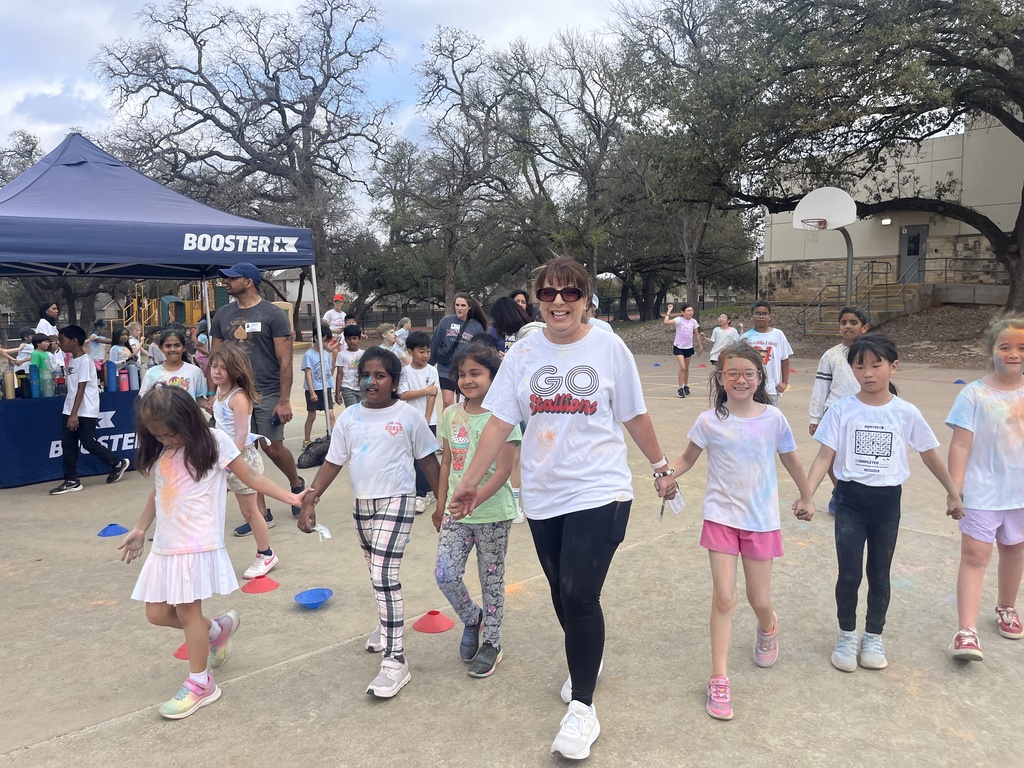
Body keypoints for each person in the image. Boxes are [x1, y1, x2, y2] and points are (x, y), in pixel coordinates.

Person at [448, 256, 675, 760]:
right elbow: (498, 423)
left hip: (600, 489)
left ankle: (583, 711)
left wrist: (660, 466)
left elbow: (634, 413)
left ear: (586, 300)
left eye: (570, 293)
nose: (558, 302)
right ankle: (584, 658)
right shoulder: (525, 352)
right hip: (544, 494)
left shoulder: (608, 347)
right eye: (548, 293)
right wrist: (468, 483)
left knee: (579, 590)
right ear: (537, 298)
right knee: (560, 591)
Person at [116, 385, 306, 720]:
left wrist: (291, 497)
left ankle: (200, 683)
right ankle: (215, 631)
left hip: (196, 545)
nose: (165, 440)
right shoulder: (164, 452)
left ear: (188, 421)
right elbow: (159, 491)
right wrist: (141, 528)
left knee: (189, 614)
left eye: (170, 434)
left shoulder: (214, 443)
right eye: (158, 435)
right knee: (156, 614)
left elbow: (252, 478)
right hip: (165, 547)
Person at [659, 343, 814, 721]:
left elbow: (791, 458)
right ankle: (719, 677)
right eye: (732, 373)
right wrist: (666, 475)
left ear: (760, 378)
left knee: (758, 599)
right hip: (721, 517)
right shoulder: (709, 420)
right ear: (721, 378)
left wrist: (806, 495)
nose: (741, 379)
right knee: (724, 597)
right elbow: (687, 459)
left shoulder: (773, 419)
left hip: (761, 520)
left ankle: (768, 626)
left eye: (748, 373)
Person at [805, 334, 964, 672]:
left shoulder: (905, 413)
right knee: (849, 573)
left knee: (879, 571)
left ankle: (873, 635)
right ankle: (847, 634)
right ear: (851, 369)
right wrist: (807, 495)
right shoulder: (842, 410)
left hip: (887, 502)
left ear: (893, 367)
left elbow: (930, 455)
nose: (868, 373)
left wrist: (952, 492)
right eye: (859, 366)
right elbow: (823, 457)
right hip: (850, 499)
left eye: (876, 365)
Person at [296, 348, 440, 699]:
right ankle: (386, 624)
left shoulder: (408, 416)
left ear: (394, 382)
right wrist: (309, 499)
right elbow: (332, 463)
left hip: (399, 499)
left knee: (383, 576)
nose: (371, 382)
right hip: (363, 505)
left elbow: (429, 463)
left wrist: (444, 506)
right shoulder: (349, 418)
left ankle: (396, 660)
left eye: (380, 376)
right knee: (375, 572)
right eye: (365, 375)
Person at [432, 342, 522, 678]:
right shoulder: (451, 414)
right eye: (461, 374)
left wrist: (475, 499)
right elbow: (446, 465)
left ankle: (493, 643)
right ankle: (473, 618)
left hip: (493, 513)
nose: (467, 380)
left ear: (493, 377)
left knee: (492, 580)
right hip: (456, 513)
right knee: (445, 573)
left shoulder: (505, 418)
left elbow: (502, 472)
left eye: (476, 373)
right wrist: (442, 505)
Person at [947, 317, 1024, 660]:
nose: (1013, 354)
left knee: (1014, 551)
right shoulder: (973, 393)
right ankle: (966, 631)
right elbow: (961, 445)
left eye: (1021, 347)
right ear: (990, 351)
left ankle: (1006, 606)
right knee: (975, 557)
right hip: (982, 493)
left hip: (1020, 495)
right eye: (1004, 347)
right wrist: (955, 489)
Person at [211, 262, 305, 533]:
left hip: (268, 391)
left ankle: (296, 483)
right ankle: (261, 514)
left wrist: (285, 400)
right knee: (243, 452)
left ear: (249, 281)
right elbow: (216, 359)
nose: (227, 283)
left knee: (272, 448)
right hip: (236, 395)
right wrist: (213, 394)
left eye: (233, 278)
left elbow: (285, 361)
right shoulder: (222, 315)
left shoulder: (273, 314)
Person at [209, 344, 280, 579]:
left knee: (251, 513)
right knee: (212, 508)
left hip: (241, 459)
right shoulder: (219, 394)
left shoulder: (238, 397)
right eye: (214, 366)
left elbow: (240, 434)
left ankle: (266, 554)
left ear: (236, 370)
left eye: (223, 368)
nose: (216, 371)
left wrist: (230, 464)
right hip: (223, 459)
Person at [48, 325, 130, 495]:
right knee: (68, 444)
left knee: (87, 442)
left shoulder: (85, 361)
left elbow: (81, 388)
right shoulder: (70, 359)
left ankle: (117, 463)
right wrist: (70, 411)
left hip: (84, 410)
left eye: (62, 340)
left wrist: (74, 414)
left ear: (74, 341)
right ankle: (71, 480)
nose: (59, 343)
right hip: (70, 408)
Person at [808, 307, 870, 515]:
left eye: (853, 323)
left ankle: (858, 494)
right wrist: (816, 417)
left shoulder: (872, 353)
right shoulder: (831, 355)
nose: (848, 326)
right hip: (834, 412)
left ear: (864, 327)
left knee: (858, 457)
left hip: (864, 414)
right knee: (830, 456)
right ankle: (839, 491)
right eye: (844, 322)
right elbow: (821, 387)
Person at [398, 330, 440, 513]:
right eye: (421, 351)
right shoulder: (405, 372)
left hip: (428, 421)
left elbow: (434, 395)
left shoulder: (432, 371)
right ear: (410, 351)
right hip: (409, 421)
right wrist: (425, 391)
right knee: (411, 457)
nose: (425, 355)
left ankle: (423, 494)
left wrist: (426, 418)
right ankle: (416, 490)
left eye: (428, 351)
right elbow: (403, 394)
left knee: (425, 458)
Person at [430, 293, 488, 411]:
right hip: (445, 369)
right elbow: (435, 343)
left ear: (469, 307)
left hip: (464, 370)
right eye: (457, 305)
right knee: (447, 401)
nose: (459, 308)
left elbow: (480, 349)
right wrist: (428, 365)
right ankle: (446, 427)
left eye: (463, 305)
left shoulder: (476, 326)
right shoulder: (446, 321)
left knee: (464, 404)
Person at [742, 301, 793, 407]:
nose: (761, 317)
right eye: (757, 313)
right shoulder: (745, 337)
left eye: (764, 314)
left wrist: (784, 382)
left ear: (770, 316)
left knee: (770, 417)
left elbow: (784, 359)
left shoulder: (778, 335)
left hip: (771, 387)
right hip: (750, 386)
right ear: (751, 316)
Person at [139, 329, 207, 401]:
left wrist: (212, 406)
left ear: (184, 347)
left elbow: (199, 399)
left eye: (177, 345)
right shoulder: (152, 373)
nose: (173, 349)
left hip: (187, 412)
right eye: (168, 346)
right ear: (161, 348)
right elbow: (144, 400)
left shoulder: (195, 371)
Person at [302, 325, 336, 446]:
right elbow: (308, 374)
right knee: (312, 416)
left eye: (328, 341)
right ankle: (306, 440)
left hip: (326, 388)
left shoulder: (326, 354)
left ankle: (334, 439)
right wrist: (312, 392)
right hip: (314, 389)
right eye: (324, 340)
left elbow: (329, 370)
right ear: (316, 338)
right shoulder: (309, 355)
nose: (326, 343)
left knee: (331, 415)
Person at [663, 303, 704, 398]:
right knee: (682, 367)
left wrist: (700, 346)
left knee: (686, 368)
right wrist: (669, 310)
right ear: (683, 312)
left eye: (691, 310)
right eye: (688, 310)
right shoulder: (679, 320)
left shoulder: (694, 322)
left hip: (688, 347)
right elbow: (666, 322)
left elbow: (697, 335)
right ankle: (680, 388)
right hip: (679, 347)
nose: (690, 312)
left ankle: (686, 386)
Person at [334, 324, 365, 408]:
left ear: (359, 339)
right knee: (352, 412)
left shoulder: (363, 354)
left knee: (363, 412)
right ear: (345, 340)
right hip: (347, 388)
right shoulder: (341, 354)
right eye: (349, 338)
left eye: (354, 338)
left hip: (362, 389)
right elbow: (339, 374)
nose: (352, 341)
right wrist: (337, 392)